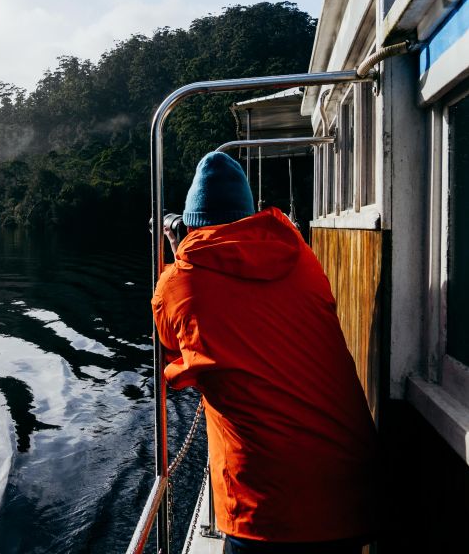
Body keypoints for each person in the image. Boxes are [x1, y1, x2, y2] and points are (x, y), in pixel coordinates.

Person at [152, 152, 377, 553]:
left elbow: (173, 350)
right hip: (351, 493)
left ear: (190, 223)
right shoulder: (302, 258)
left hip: (265, 509)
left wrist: (179, 254)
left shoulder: (177, 284)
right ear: (249, 213)